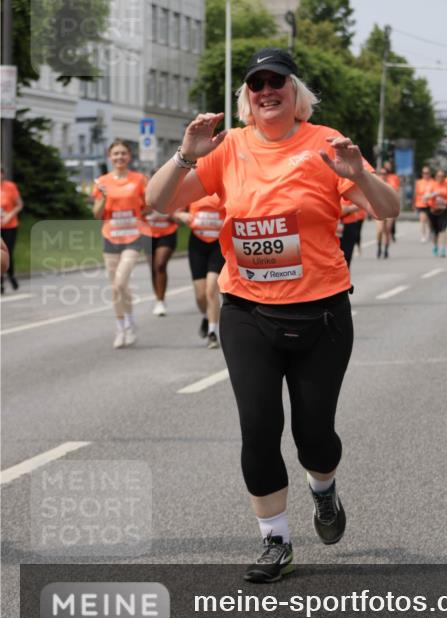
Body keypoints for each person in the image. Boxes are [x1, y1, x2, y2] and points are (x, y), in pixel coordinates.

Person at [146, 48, 399, 583]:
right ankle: (276, 541)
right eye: (256, 83)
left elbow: (387, 209)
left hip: (321, 314)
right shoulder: (228, 147)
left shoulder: (326, 144)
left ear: (293, 90)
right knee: (258, 426)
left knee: (315, 436)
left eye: (276, 81)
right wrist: (186, 156)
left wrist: (360, 176)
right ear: (247, 97)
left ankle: (324, 491)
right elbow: (158, 203)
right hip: (247, 311)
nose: (266, 91)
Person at [92, 139, 147, 348]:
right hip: (110, 236)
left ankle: (129, 324)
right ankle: (122, 326)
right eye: (115, 154)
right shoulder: (102, 182)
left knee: (120, 283)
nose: (120, 157)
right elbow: (97, 215)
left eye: (123, 153)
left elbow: (148, 205)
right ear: (110, 156)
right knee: (116, 288)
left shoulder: (139, 179)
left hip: (133, 237)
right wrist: (103, 198)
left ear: (129, 156)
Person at [175, 192, 225, 348]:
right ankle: (206, 316)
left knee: (211, 288)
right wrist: (182, 216)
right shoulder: (194, 188)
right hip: (197, 244)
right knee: (200, 294)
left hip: (218, 243)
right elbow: (176, 212)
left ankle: (212, 332)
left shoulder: (222, 186)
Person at [143, 196, 179, 316]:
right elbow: (135, 210)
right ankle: (157, 298)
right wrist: (146, 211)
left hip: (167, 232)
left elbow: (180, 212)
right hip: (147, 233)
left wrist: (171, 214)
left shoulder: (171, 187)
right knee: (153, 268)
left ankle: (160, 300)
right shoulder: (141, 187)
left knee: (160, 264)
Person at [0, 166, 23, 293]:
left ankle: (11, 275)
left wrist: (10, 215)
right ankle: (1, 283)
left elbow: (19, 204)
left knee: (7, 251)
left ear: (3, 174)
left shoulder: (10, 187)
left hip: (10, 225)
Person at [425, 169, 447, 257]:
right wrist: (434, 194)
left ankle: (443, 249)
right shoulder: (431, 185)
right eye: (438, 176)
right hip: (433, 210)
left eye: (442, 176)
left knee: (443, 229)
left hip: (444, 210)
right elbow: (425, 197)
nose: (440, 178)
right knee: (435, 232)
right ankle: (436, 246)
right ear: (435, 177)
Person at [339, 198, 365, 268]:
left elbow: (361, 203)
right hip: (333, 225)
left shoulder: (349, 188)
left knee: (347, 256)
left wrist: (348, 209)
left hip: (349, 224)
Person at [375, 169, 394, 259]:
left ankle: (386, 250)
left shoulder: (390, 186)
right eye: (381, 174)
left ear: (387, 175)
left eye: (384, 174)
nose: (383, 175)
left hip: (389, 211)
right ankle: (379, 247)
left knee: (387, 231)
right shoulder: (375, 186)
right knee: (379, 230)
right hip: (379, 211)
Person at [414, 165, 434, 242]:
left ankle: (430, 232)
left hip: (431, 204)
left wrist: (430, 196)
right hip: (421, 203)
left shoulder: (433, 182)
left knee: (429, 220)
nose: (425, 174)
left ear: (430, 173)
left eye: (427, 173)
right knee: (422, 219)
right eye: (424, 173)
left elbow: (435, 193)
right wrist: (414, 204)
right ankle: (423, 235)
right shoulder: (419, 182)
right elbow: (416, 193)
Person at [382, 161, 401, 243]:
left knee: (392, 221)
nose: (388, 167)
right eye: (386, 166)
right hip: (382, 203)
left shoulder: (394, 177)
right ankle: (385, 236)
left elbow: (397, 189)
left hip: (391, 201)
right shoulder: (381, 176)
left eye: (389, 166)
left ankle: (391, 234)